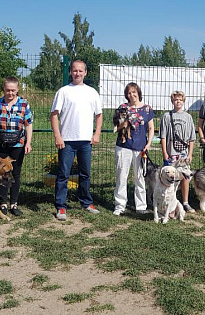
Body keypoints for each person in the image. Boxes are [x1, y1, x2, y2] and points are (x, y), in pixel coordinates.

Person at [50, 60, 103, 221]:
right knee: (63, 174)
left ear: (85, 72)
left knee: (85, 174)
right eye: (74, 70)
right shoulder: (63, 92)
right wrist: (58, 136)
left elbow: (99, 115)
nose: (77, 73)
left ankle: (86, 202)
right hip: (66, 141)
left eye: (80, 71)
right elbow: (54, 115)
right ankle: (61, 206)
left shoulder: (92, 92)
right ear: (71, 72)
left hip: (86, 141)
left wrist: (97, 133)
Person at [0, 76, 33, 217]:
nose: (10, 93)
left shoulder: (24, 104)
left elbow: (28, 124)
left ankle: (14, 203)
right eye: (8, 90)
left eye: (13, 90)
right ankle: (3, 203)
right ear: (4, 89)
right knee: (2, 173)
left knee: (15, 174)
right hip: (0, 143)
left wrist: (28, 142)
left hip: (17, 144)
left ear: (17, 89)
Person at [113, 82, 155, 216]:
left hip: (140, 148)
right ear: (126, 95)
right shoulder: (122, 108)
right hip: (123, 146)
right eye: (129, 93)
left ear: (138, 93)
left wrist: (148, 144)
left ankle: (141, 206)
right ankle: (120, 205)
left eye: (134, 92)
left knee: (140, 177)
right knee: (121, 176)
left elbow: (151, 128)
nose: (132, 95)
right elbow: (116, 126)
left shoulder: (147, 109)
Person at [159, 90, 196, 213]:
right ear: (172, 101)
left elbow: (191, 138)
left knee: (185, 177)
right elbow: (163, 136)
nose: (178, 101)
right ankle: (168, 203)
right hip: (170, 154)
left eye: (180, 99)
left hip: (183, 154)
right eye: (176, 100)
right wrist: (164, 152)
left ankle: (185, 202)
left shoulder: (188, 117)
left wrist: (190, 153)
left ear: (184, 101)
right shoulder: (166, 116)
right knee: (169, 178)